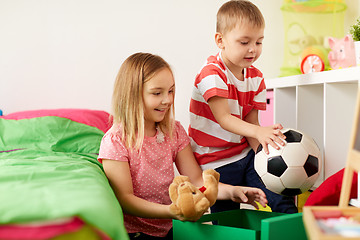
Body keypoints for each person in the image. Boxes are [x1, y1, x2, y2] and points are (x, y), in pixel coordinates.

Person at [98, 52, 268, 240]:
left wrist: (233, 192)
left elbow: (197, 179)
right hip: (135, 233)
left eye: (171, 91)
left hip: (172, 226)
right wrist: (170, 211)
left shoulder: (174, 131)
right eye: (157, 93)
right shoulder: (116, 141)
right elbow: (125, 199)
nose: (168, 100)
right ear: (132, 94)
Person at [189, 0, 298, 214]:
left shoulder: (256, 77)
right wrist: (259, 131)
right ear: (220, 40)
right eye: (244, 42)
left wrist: (264, 152)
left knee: (280, 199)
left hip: (244, 155)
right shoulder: (211, 73)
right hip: (214, 162)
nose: (252, 50)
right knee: (229, 218)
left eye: (259, 42)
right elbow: (224, 118)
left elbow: (251, 123)